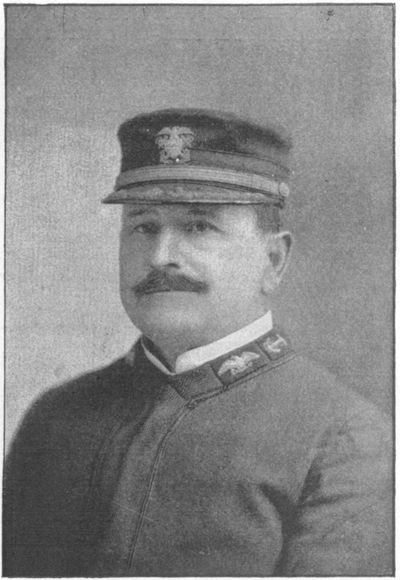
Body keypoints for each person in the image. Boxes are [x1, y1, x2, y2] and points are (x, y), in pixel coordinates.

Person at [4, 109, 393, 577]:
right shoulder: (55, 417)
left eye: (198, 226)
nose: (160, 257)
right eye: (144, 226)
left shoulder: (343, 439)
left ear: (273, 260)